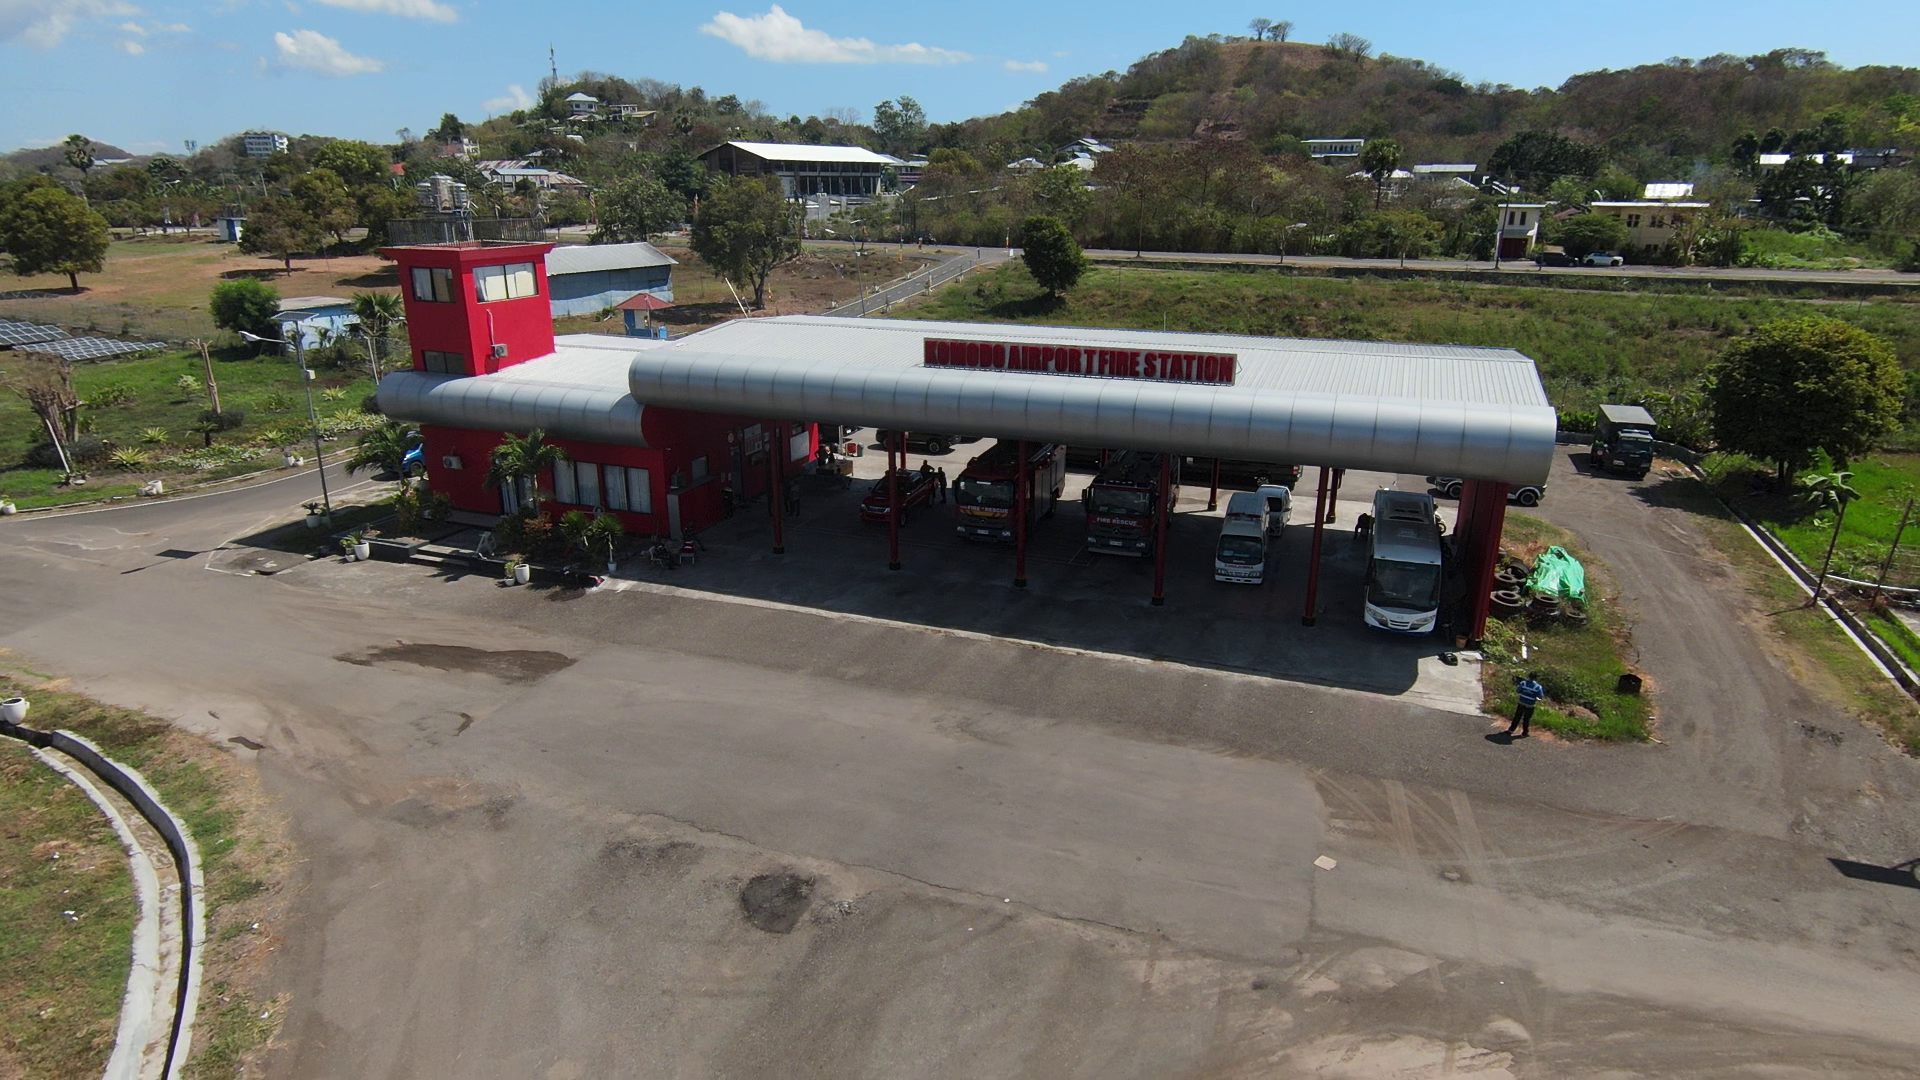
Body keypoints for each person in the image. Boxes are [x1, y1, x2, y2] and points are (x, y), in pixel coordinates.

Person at [1507, 672, 1544, 737]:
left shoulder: (1523, 683)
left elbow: (1518, 691)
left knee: (1517, 717)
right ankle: (1524, 733)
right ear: (1536, 678)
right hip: (1530, 705)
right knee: (1526, 719)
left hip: (1521, 703)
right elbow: (1540, 696)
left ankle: (1511, 729)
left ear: (1528, 676)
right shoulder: (1538, 687)